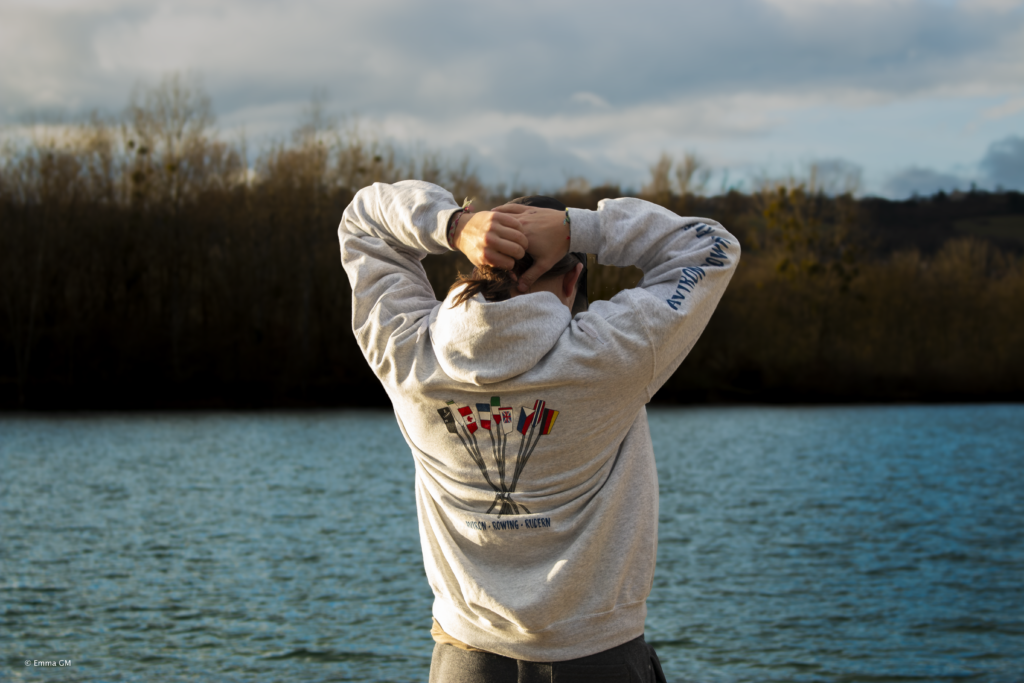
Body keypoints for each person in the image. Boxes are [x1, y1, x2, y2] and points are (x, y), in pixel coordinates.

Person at [338, 180, 740, 682]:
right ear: (573, 281)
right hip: (599, 660)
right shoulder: (613, 355)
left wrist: (455, 225)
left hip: (466, 663)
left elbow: (363, 222)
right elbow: (712, 245)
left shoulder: (407, 355)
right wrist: (582, 227)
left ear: (477, 263)